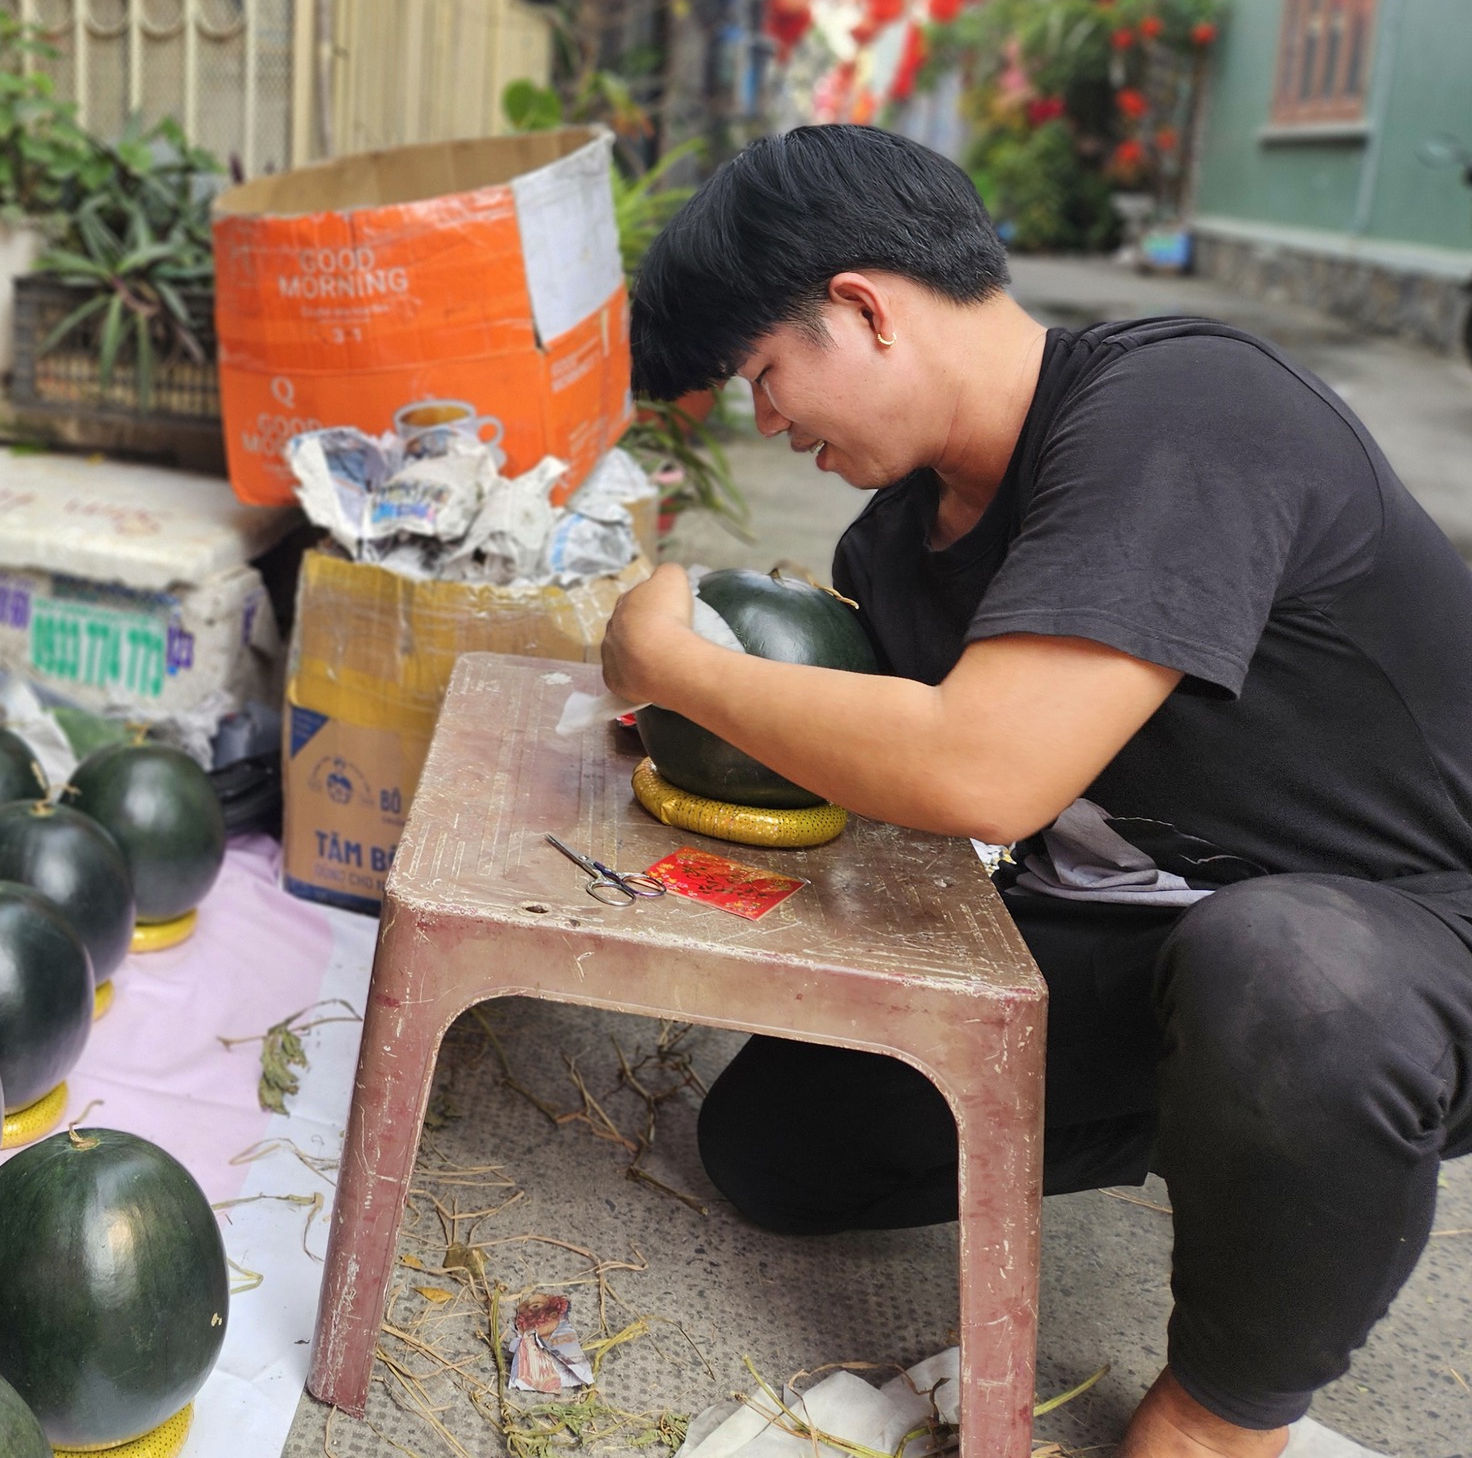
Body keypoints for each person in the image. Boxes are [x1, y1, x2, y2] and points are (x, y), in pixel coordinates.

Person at [599, 125, 1472, 1458]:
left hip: (1411, 935)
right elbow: (873, 774)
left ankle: (1225, 1412)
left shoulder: (1185, 408)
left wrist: (677, 661)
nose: (768, 424)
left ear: (863, 308)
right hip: (1162, 935)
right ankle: (1243, 1138)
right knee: (779, 1146)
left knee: (1289, 980)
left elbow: (979, 765)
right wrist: (667, 727)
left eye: (764, 378)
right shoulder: (891, 544)